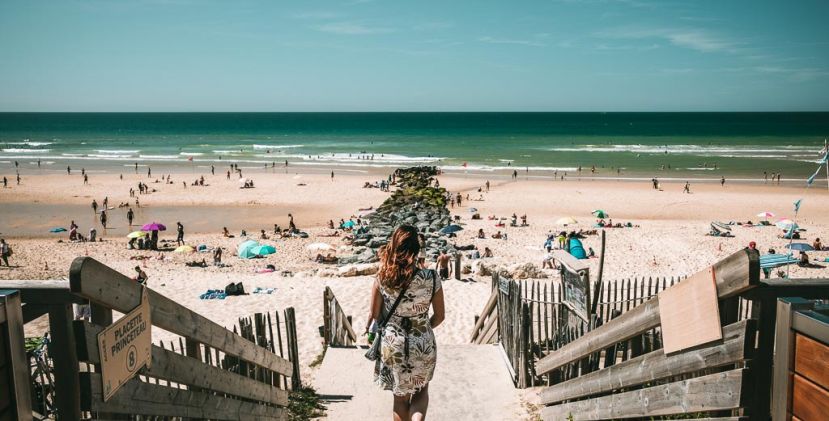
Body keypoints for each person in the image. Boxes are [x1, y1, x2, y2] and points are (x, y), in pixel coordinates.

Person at [366, 225, 444, 421]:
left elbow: (375, 314)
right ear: (417, 250)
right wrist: (422, 327)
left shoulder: (382, 277)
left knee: (400, 400)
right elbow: (440, 315)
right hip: (422, 341)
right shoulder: (431, 277)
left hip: (393, 343)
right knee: (420, 391)